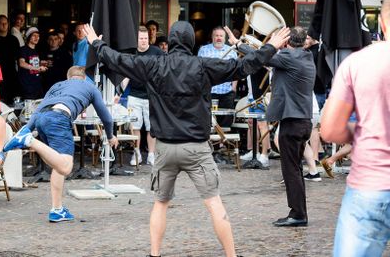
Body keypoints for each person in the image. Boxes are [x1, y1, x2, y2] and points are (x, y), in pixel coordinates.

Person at [82, 21, 289, 257]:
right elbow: (243, 67)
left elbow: (117, 60)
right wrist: (270, 46)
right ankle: (231, 255)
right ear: (191, 41)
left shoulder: (153, 64)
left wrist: (96, 43)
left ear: (170, 41)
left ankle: (155, 254)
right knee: (214, 202)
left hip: (164, 148)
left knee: (161, 203)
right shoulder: (202, 65)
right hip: (196, 148)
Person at [3, 66, 118, 222]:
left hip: (41, 119)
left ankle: (57, 210)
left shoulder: (57, 85)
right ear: (84, 77)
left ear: (67, 77)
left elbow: (39, 110)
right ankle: (29, 141)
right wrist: (110, 136)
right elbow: (107, 118)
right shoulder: (89, 87)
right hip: (59, 118)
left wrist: (27, 129)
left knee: (58, 164)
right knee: (66, 166)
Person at [322, 0, 390, 257]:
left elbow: (329, 130)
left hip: (370, 188)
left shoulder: (357, 63)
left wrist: (362, 131)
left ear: (382, 25)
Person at [265, 26, 315, 227]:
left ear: (286, 41)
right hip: (303, 122)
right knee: (296, 168)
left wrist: (237, 44)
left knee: (291, 170)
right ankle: (299, 212)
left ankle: (298, 214)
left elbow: (262, 57)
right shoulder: (307, 57)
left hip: (293, 122)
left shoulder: (289, 57)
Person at [115, 27, 164, 166]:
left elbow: (165, 70)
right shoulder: (132, 53)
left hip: (152, 95)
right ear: (136, 40)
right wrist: (118, 94)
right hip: (134, 95)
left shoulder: (157, 52)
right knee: (135, 126)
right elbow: (125, 75)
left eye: (145, 38)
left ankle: (151, 155)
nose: (143, 41)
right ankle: (136, 153)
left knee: (151, 127)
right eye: (141, 38)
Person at [198, 26, 238, 128]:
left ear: (224, 38)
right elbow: (198, 70)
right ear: (212, 37)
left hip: (226, 92)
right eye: (216, 35)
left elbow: (236, 71)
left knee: (226, 121)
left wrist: (233, 88)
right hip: (209, 91)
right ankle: (210, 142)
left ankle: (223, 144)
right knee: (207, 120)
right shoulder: (204, 50)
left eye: (221, 36)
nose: (219, 38)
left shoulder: (232, 51)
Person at [0, 14, 21, 104]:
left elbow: (19, 59)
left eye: (5, 23)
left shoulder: (14, 40)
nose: (4, 25)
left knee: (12, 100)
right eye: (1, 23)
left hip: (12, 73)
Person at [17, 27, 47, 99]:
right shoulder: (23, 49)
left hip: (37, 84)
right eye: (34, 35)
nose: (37, 38)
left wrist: (41, 63)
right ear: (29, 37)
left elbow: (32, 63)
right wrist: (37, 68)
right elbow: (22, 63)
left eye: (38, 36)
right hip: (27, 85)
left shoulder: (36, 50)